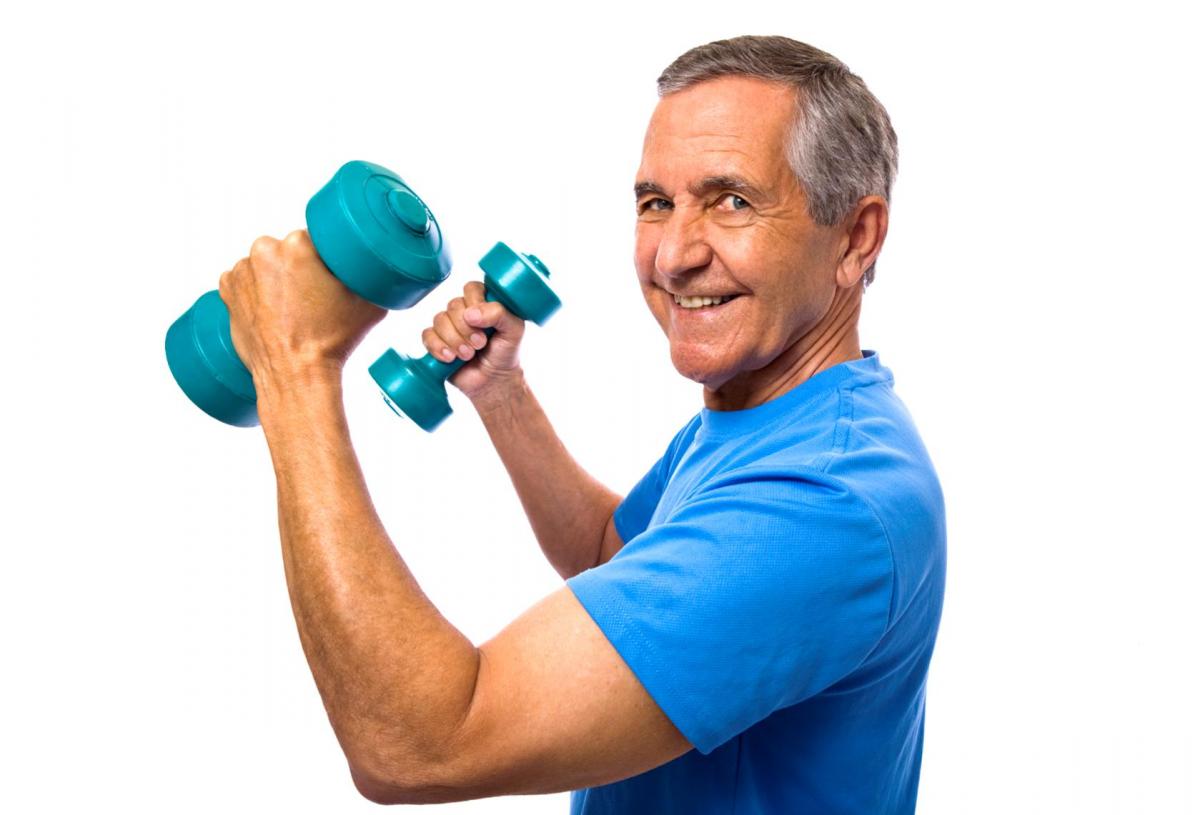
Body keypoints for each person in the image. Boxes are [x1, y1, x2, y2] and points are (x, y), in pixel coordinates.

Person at [218, 34, 945, 814]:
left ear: (855, 237)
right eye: (656, 203)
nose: (672, 256)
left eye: (732, 200)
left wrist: (295, 370)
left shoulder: (820, 500)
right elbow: (616, 550)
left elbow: (418, 747)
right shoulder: (776, 414)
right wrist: (501, 393)